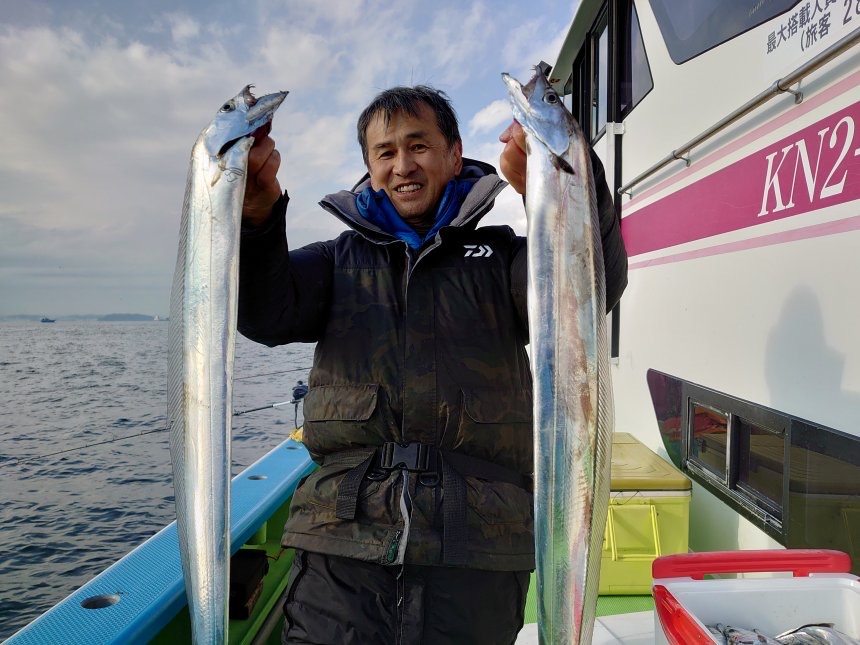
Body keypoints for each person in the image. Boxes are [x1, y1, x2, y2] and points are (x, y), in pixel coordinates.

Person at [238, 85, 627, 644]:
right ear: (371, 167)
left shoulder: (503, 258)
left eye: (418, 146)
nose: (403, 166)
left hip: (477, 550)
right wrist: (256, 219)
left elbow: (590, 289)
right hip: (341, 546)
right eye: (386, 152)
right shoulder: (335, 262)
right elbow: (264, 312)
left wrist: (565, 185)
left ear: (454, 153)